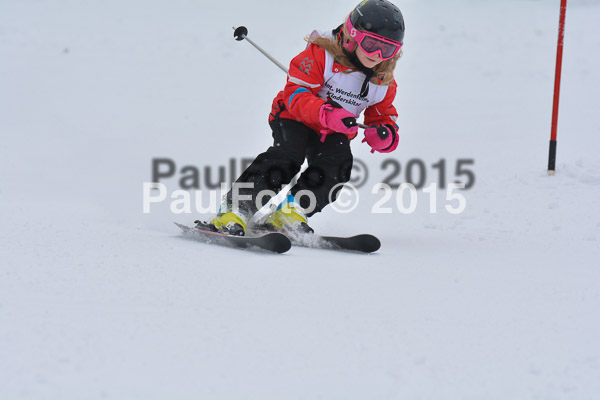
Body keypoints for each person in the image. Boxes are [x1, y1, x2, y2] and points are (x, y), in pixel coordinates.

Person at [206, 0, 405, 236]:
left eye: (388, 49)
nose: (378, 55)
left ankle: (290, 212)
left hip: (333, 130)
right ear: (352, 35)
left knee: (337, 167)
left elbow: (382, 114)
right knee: (288, 156)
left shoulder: (382, 81)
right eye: (371, 44)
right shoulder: (322, 55)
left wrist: (384, 133)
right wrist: (326, 113)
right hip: (294, 116)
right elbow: (295, 94)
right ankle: (236, 209)